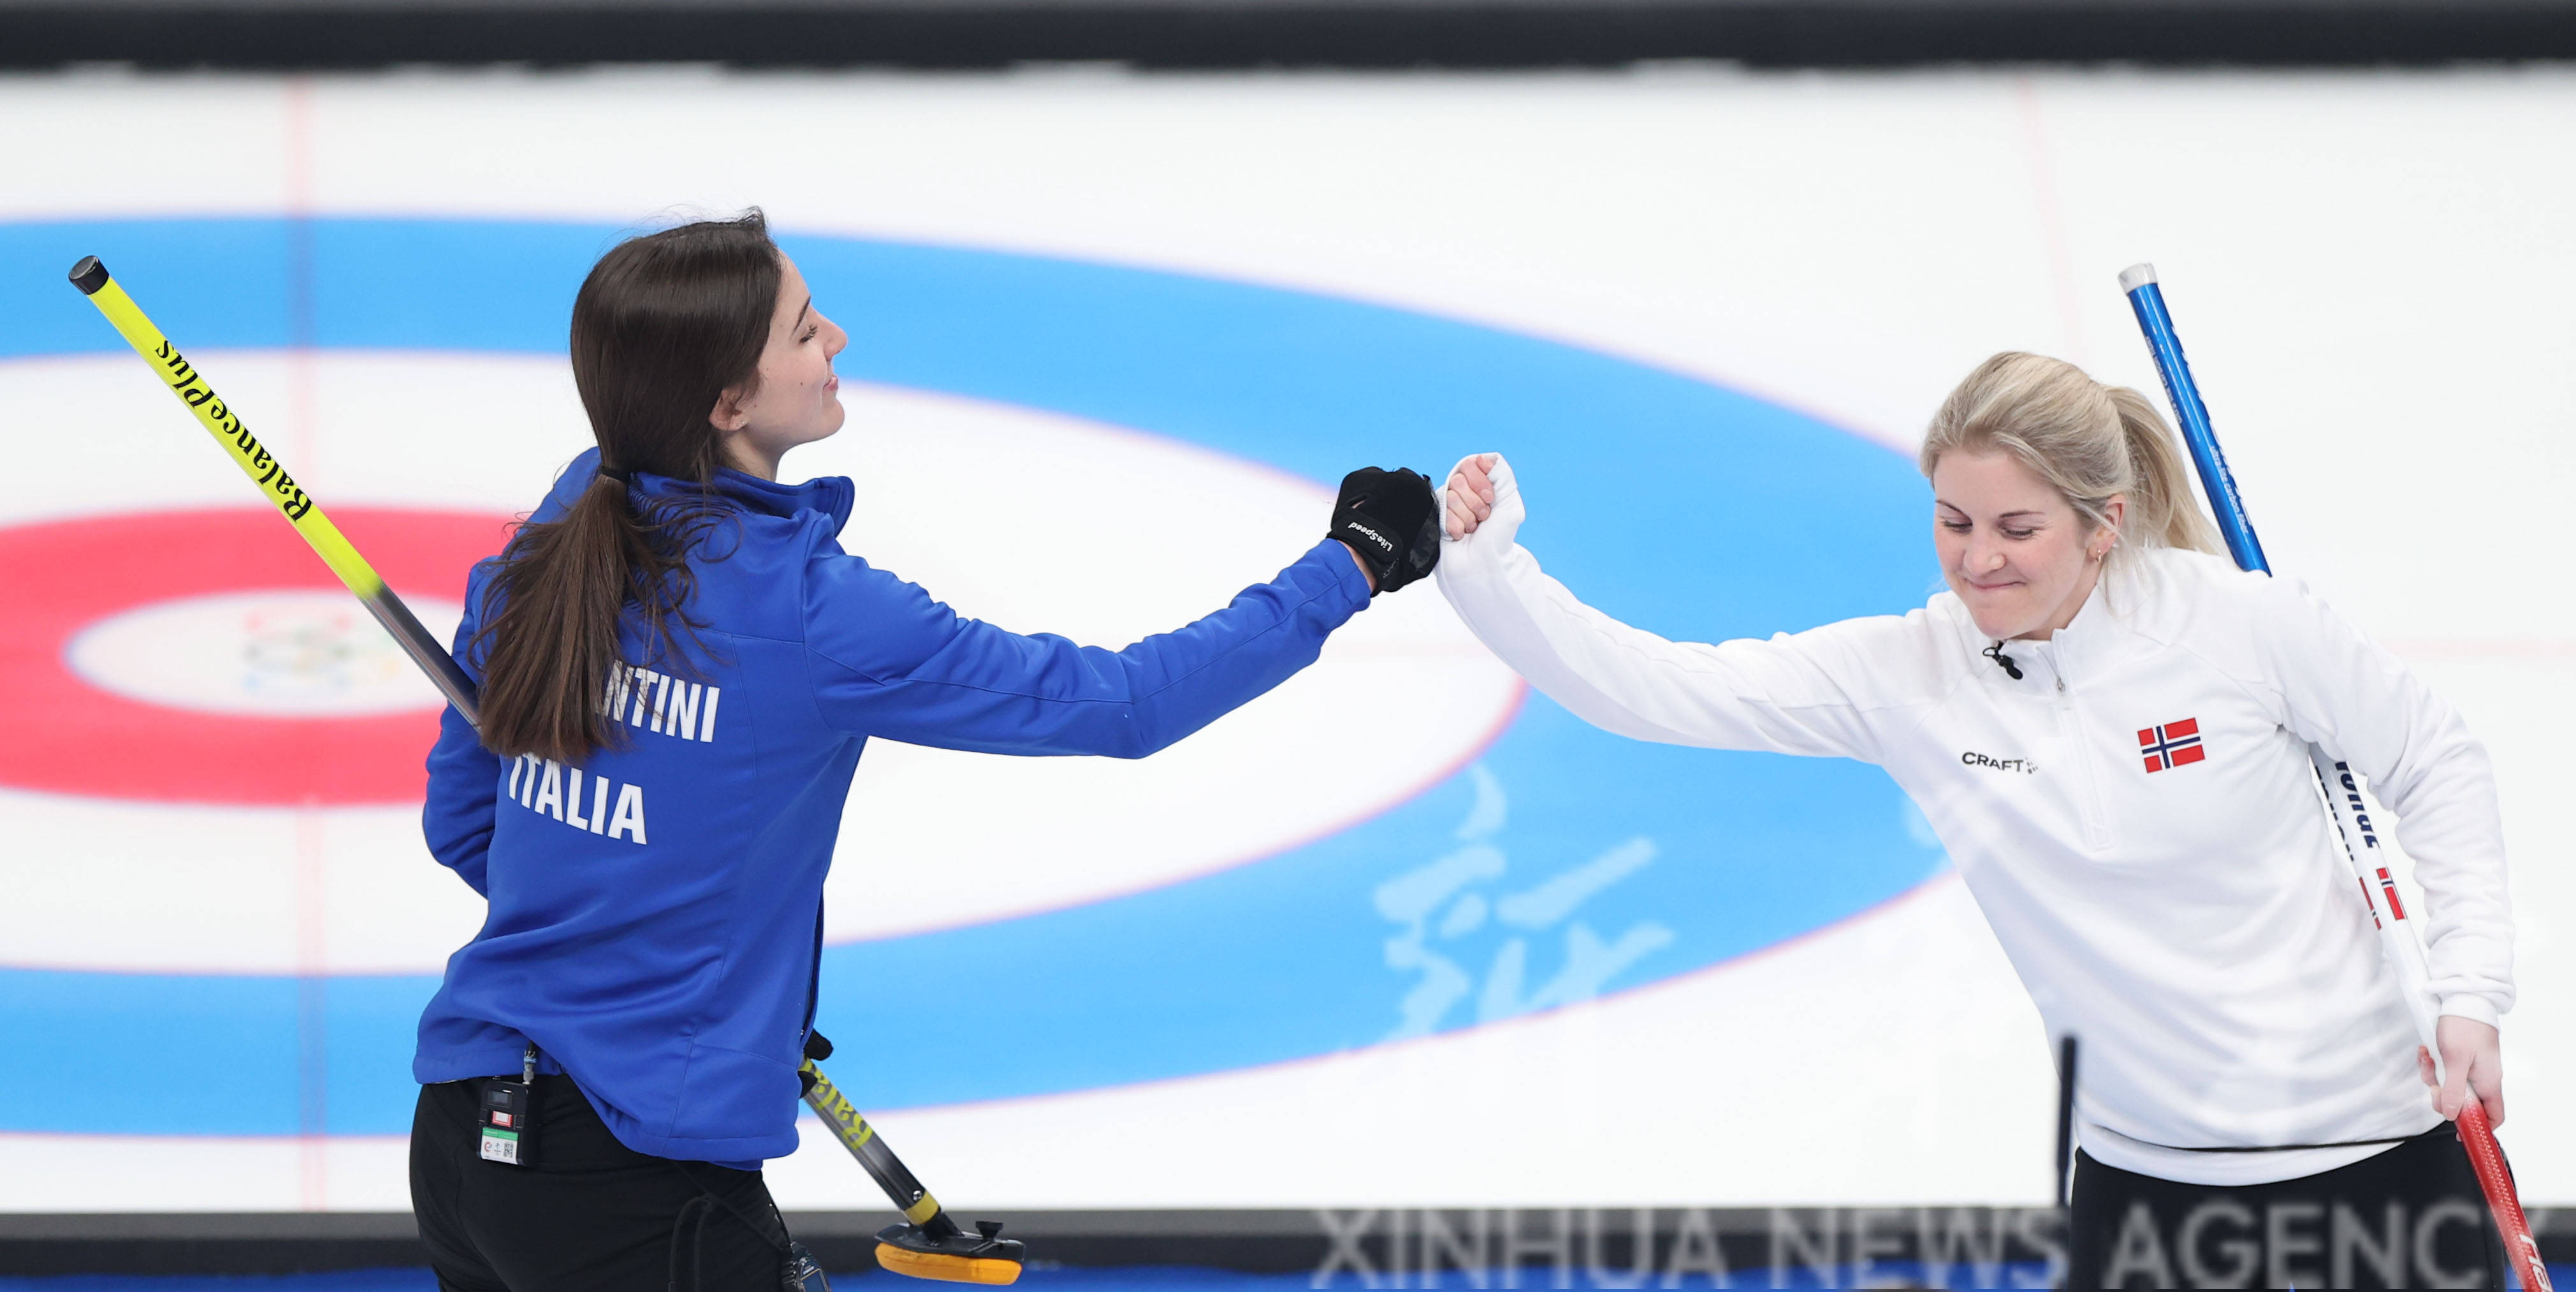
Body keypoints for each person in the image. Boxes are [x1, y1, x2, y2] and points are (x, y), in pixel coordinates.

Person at [407, 212, 1440, 1292]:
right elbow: (1121, 704)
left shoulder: (558, 532)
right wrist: (1350, 566)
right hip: (631, 1176)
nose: (838, 340)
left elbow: (468, 824)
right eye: (805, 333)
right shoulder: (814, 614)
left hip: (464, 1143)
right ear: (726, 405)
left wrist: (700, 983)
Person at [1434, 351, 2514, 1291]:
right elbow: (1653, 688)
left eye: (2015, 527)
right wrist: (1487, 572)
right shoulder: (1916, 674)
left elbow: (2436, 762)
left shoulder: (2238, 626)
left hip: (2377, 1134)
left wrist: (2469, 991)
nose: (1976, 557)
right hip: (2150, 1177)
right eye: (1952, 521)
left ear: (2105, 524)